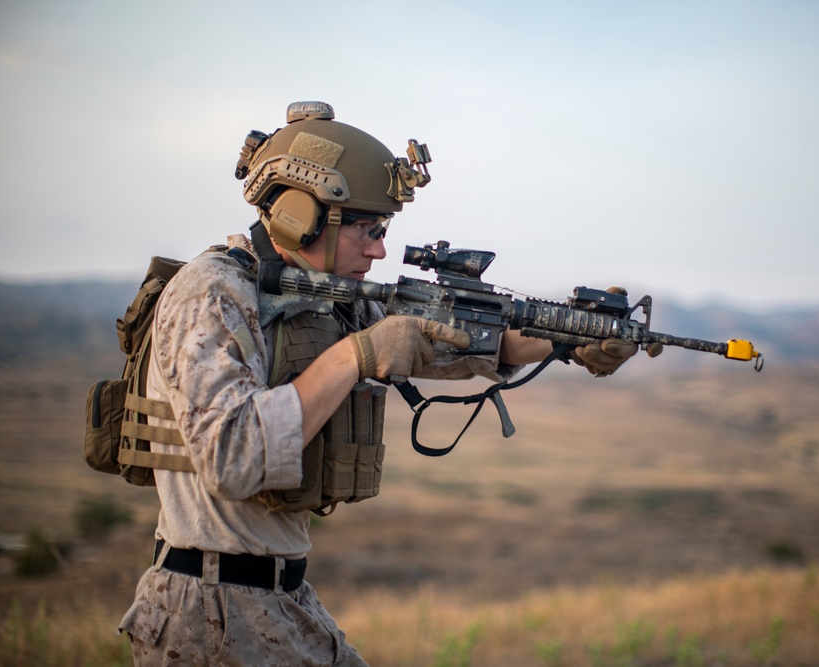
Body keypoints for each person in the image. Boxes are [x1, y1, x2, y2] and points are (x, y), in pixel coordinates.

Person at [117, 101, 639, 666]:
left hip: (279, 598)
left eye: (383, 229)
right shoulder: (213, 294)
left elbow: (454, 344)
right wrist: (354, 357)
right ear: (302, 215)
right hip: (209, 614)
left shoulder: (325, 297)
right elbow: (232, 459)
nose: (380, 249)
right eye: (368, 228)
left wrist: (568, 341)